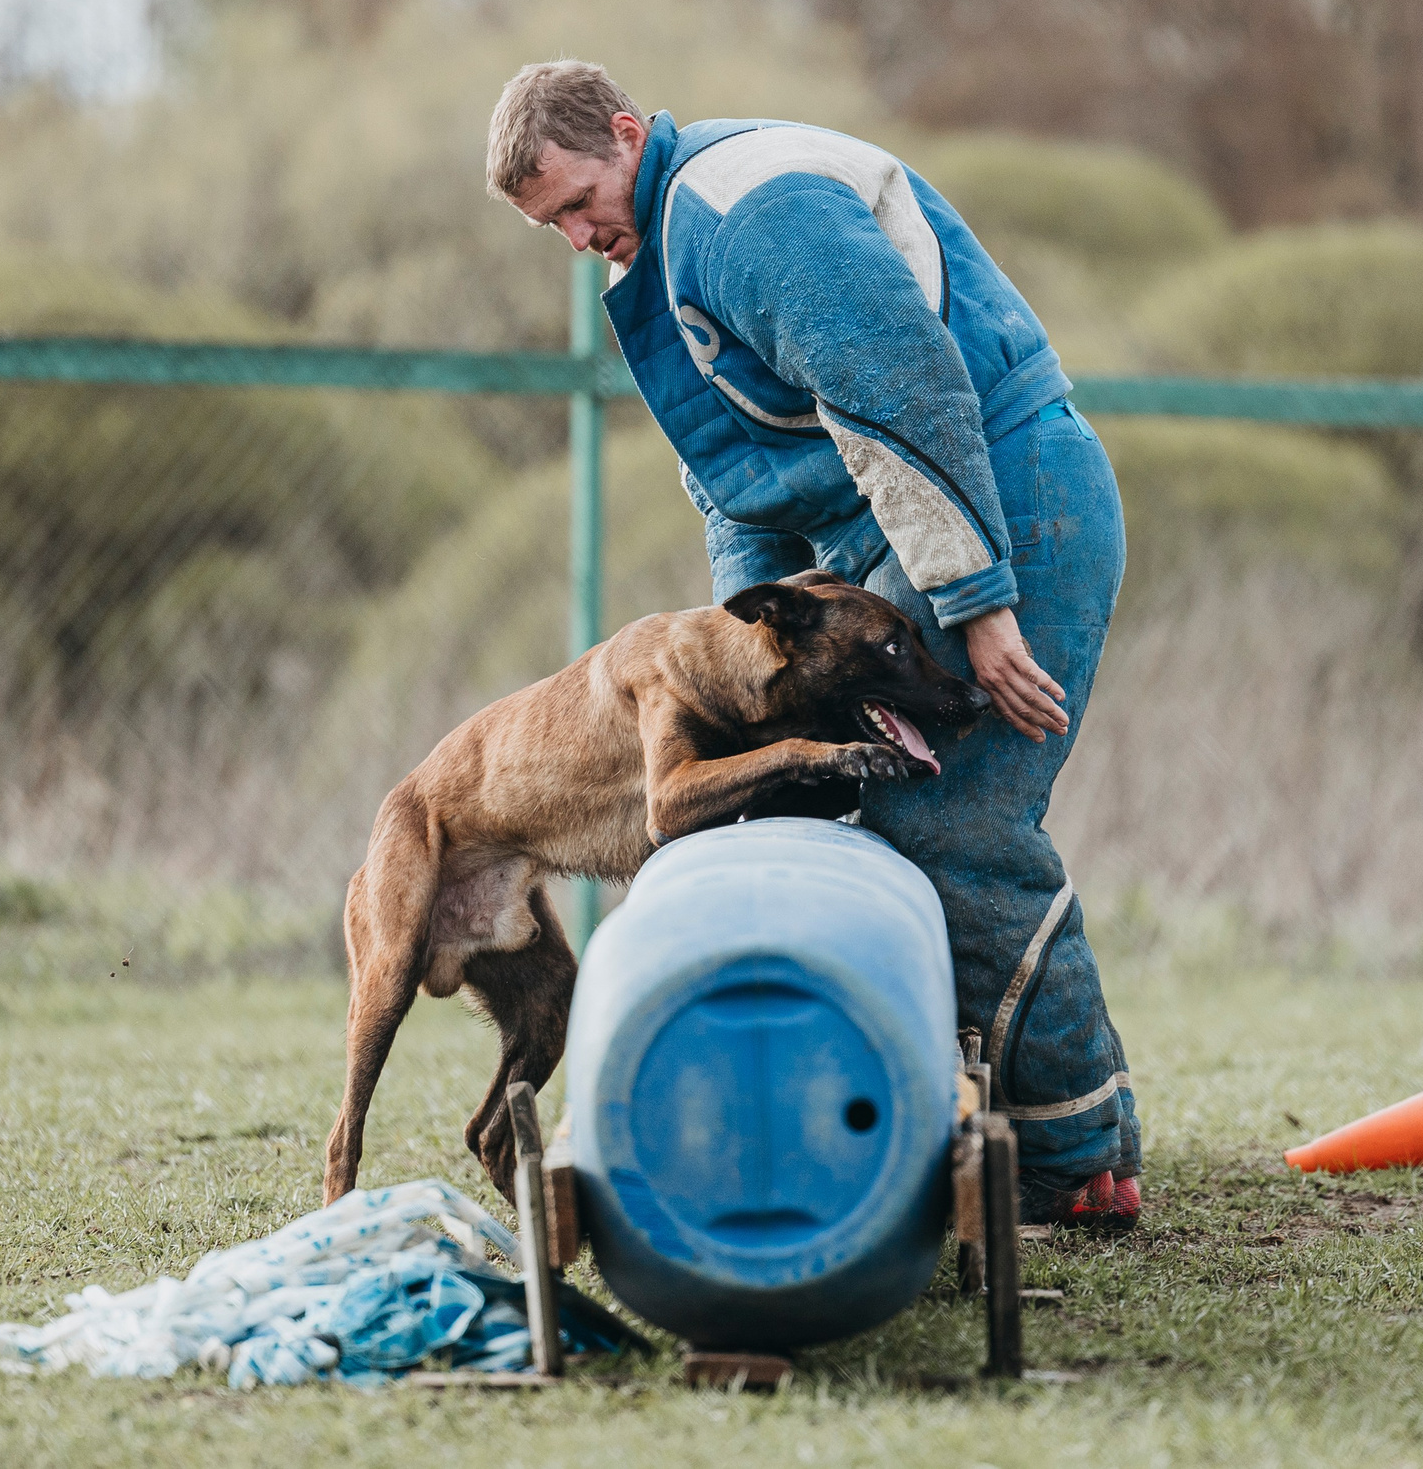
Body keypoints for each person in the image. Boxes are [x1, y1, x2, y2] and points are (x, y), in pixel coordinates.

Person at [487, 60, 1139, 1227]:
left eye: (581, 203)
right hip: (886, 544)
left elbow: (900, 385)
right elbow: (736, 490)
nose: (580, 236)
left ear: (629, 134)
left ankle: (1074, 1156)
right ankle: (909, 1121)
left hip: (1004, 492)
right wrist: (759, 680)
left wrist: (983, 605)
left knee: (948, 817)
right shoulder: (662, 261)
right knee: (820, 800)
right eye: (555, 227)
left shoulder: (745, 206)